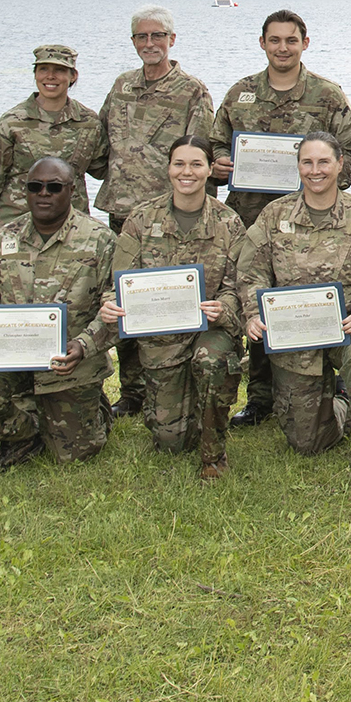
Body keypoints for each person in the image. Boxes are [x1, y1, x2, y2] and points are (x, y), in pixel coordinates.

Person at [207, 10, 351, 429]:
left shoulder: (328, 96)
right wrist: (220, 162)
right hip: (251, 218)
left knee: (313, 300)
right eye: (274, 40)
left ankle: (332, 382)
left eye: (290, 40)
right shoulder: (240, 93)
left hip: (315, 226)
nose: (282, 48)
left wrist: (321, 178)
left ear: (304, 43)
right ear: (262, 44)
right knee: (257, 299)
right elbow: (216, 144)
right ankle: (259, 397)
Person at [230, 132, 351, 494]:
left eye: (324, 162)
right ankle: (340, 401)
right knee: (307, 442)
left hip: (350, 328)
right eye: (307, 162)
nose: (315, 170)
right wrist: (252, 312)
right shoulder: (274, 215)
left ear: (340, 165)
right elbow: (252, 271)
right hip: (296, 335)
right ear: (298, 167)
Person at [0, 157, 118, 473]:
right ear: (26, 191)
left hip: (70, 365)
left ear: (71, 191)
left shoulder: (100, 240)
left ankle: (93, 410)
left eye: (54, 187)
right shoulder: (3, 239)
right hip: (12, 359)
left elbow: (114, 309)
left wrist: (83, 346)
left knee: (73, 455)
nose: (43, 194)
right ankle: (22, 437)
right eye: (35, 187)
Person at [98, 136, 245, 478]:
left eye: (196, 164)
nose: (187, 172)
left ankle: (213, 456)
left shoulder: (229, 223)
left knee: (212, 361)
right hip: (160, 341)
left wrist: (222, 308)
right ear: (168, 169)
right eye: (179, 164)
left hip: (210, 331)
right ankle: (192, 409)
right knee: (171, 440)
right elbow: (119, 283)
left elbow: (238, 287)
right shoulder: (140, 219)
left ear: (210, 170)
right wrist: (110, 306)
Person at [95, 5, 215, 421]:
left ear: (171, 40)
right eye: (142, 38)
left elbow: (200, 155)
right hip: (120, 212)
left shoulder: (192, 91)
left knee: (167, 302)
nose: (150, 44)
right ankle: (131, 391)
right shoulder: (121, 86)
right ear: (133, 43)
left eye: (157, 37)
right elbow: (100, 144)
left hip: (166, 218)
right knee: (124, 300)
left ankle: (172, 383)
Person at [0, 44, 108, 257]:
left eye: (59, 70)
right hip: (17, 228)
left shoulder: (88, 122)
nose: (50, 77)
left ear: (72, 76)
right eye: (43, 69)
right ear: (35, 74)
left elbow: (103, 168)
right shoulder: (11, 123)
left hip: (72, 232)